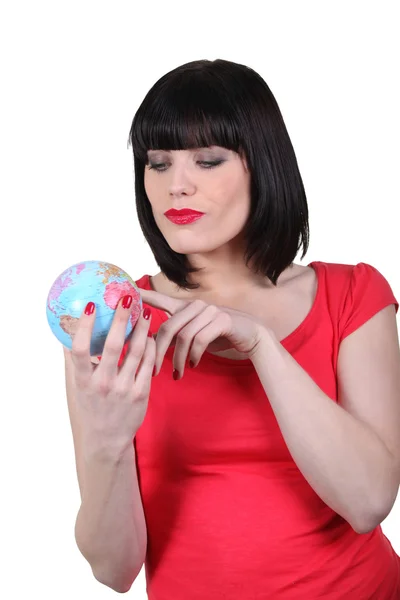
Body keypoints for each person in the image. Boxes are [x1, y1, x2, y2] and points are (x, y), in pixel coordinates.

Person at [63, 59, 400, 598]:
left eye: (208, 160)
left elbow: (367, 503)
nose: (176, 185)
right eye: (157, 163)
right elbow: (114, 568)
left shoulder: (353, 296)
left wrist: (263, 346)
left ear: (263, 166)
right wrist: (107, 439)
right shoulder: (114, 321)